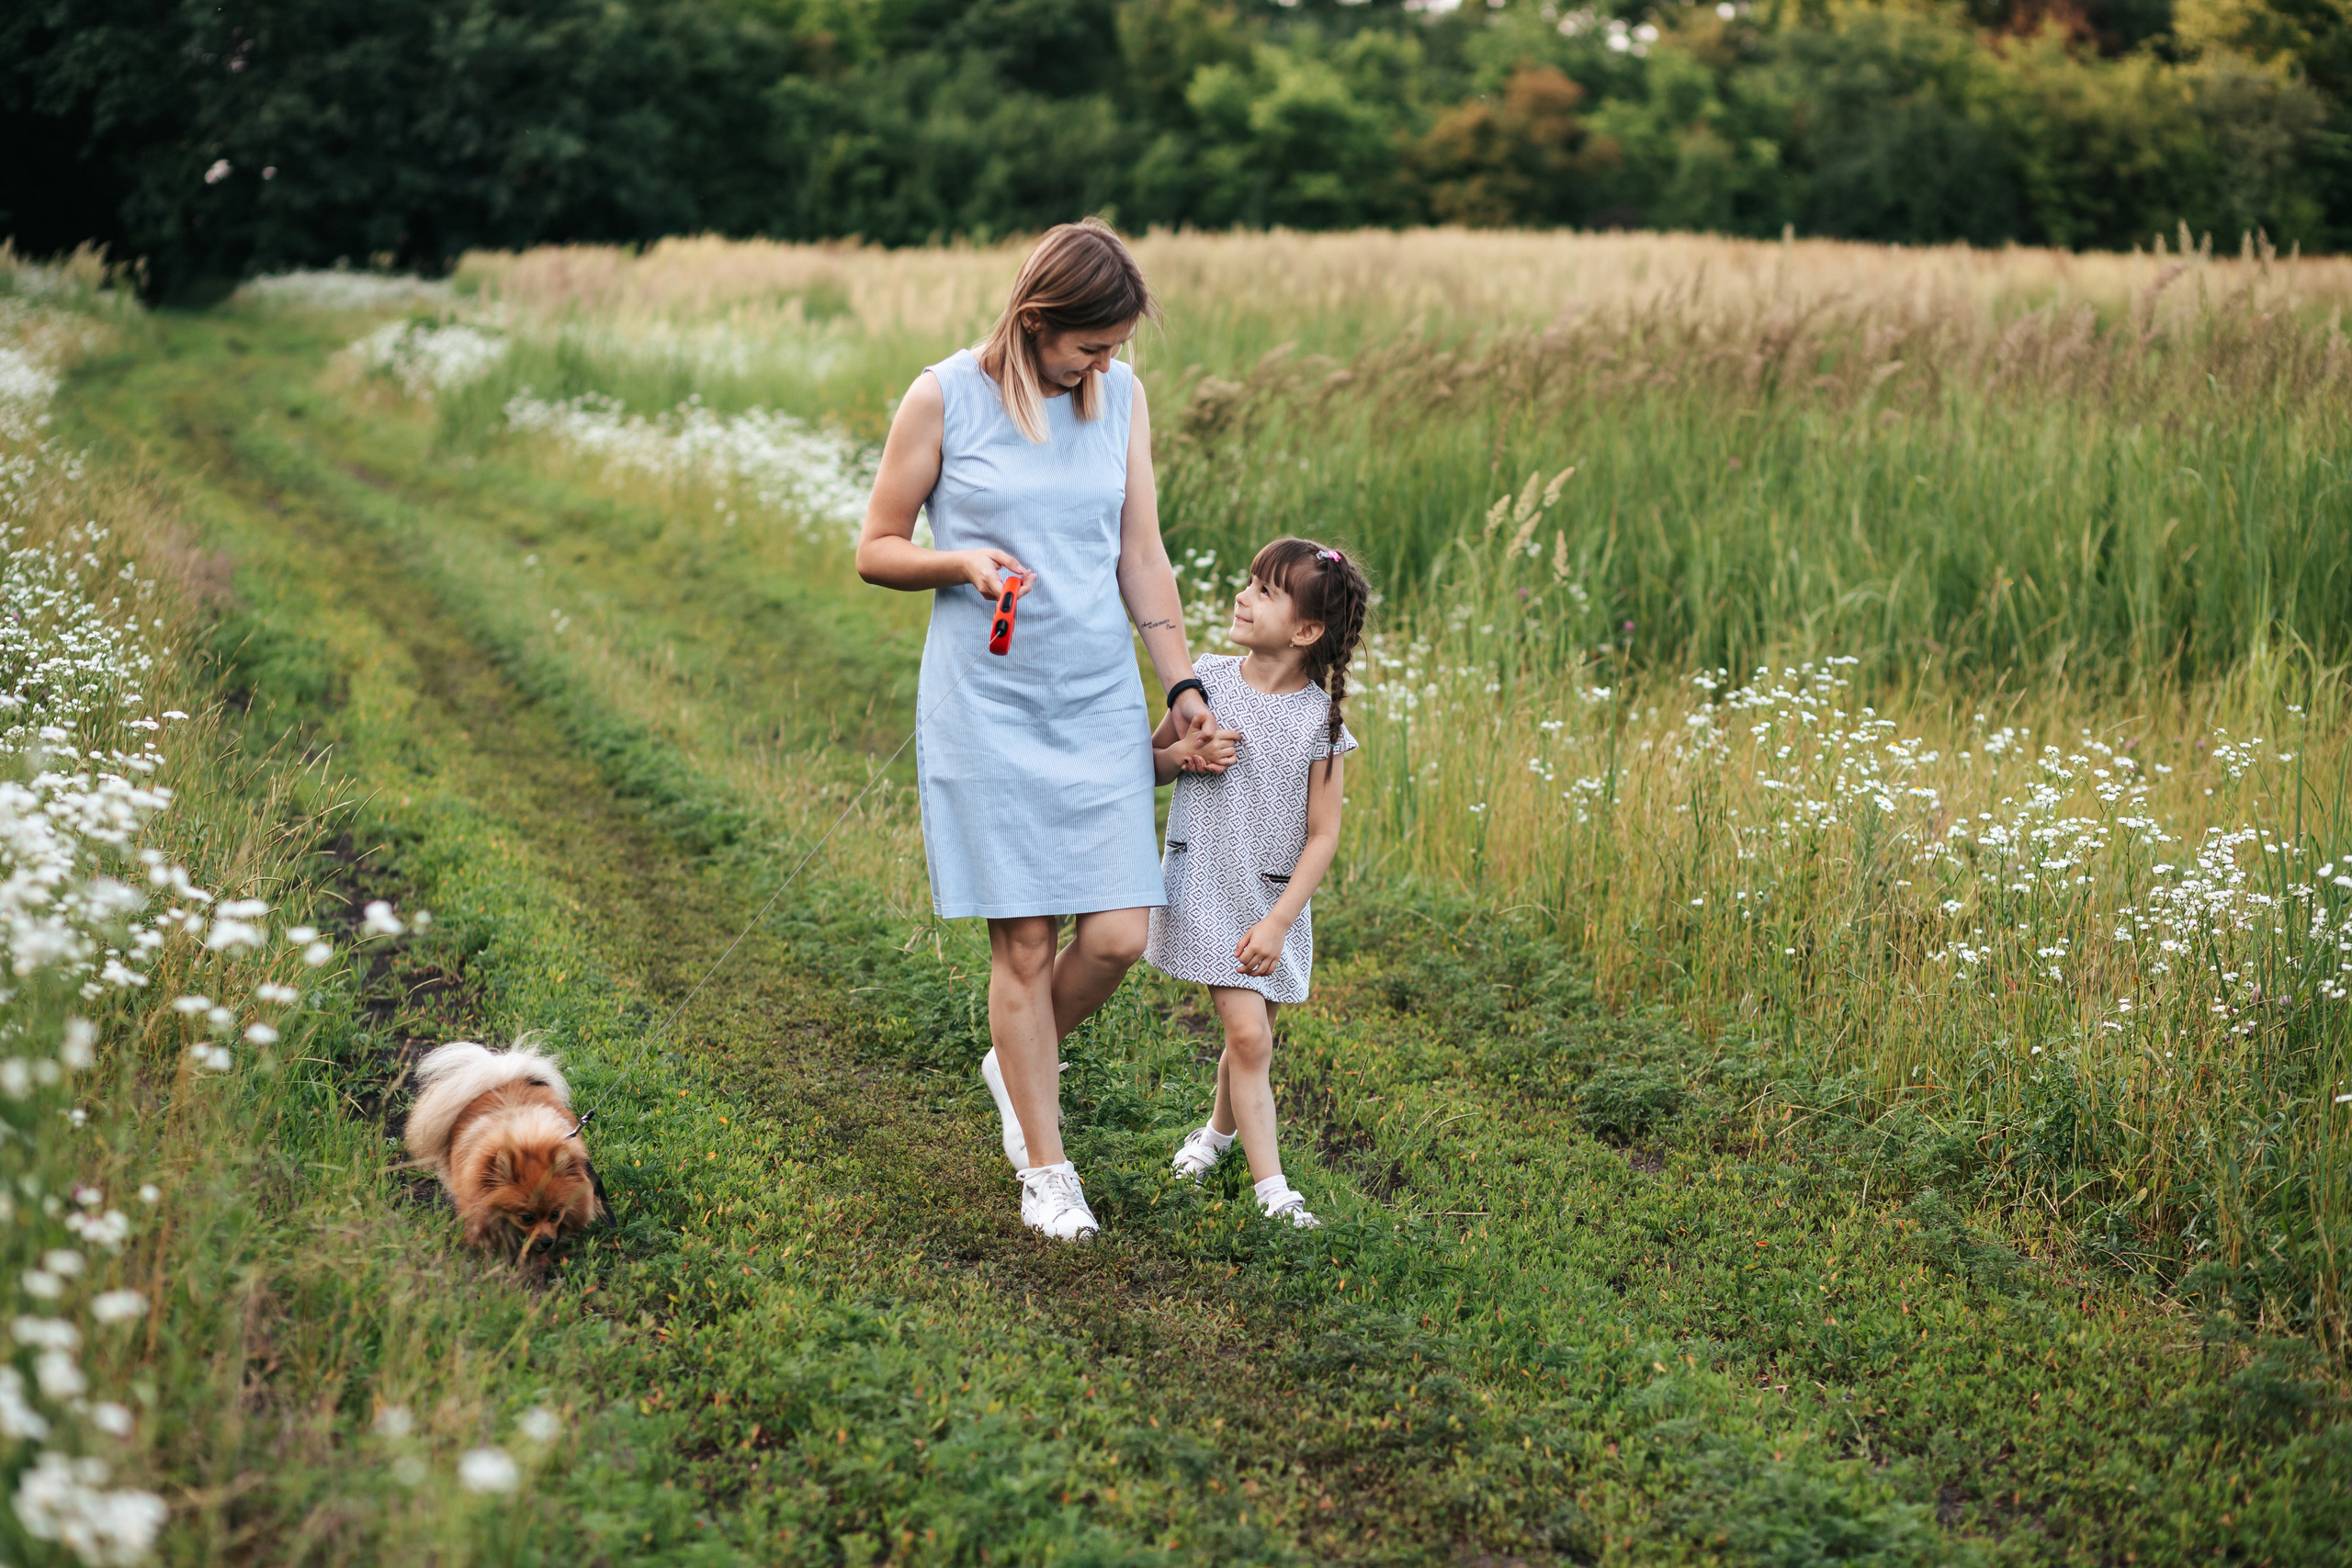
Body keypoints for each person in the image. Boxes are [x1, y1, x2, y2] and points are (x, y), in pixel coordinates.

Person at [855, 219, 1224, 1243]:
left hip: (1096, 698)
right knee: (1023, 943)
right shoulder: (942, 395)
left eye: (1113, 347)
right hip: (987, 705)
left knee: (1116, 937)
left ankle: (1015, 1062)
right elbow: (876, 547)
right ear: (1033, 319)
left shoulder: (1121, 400)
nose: (1103, 364)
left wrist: (1181, 680)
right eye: (1088, 346)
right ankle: (1047, 1171)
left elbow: (1140, 554)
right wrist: (957, 562)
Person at [1145, 537, 1369, 1229]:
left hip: (1271, 900)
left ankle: (1212, 1138)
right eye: (1248, 582)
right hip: (1207, 882)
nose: (1243, 596)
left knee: (1254, 1039)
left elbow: (1324, 834)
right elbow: (1145, 766)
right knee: (1248, 1038)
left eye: (1265, 591)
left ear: (1306, 631)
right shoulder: (1203, 678)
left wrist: (1278, 921)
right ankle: (1274, 1192)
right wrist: (1185, 753)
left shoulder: (1320, 720)